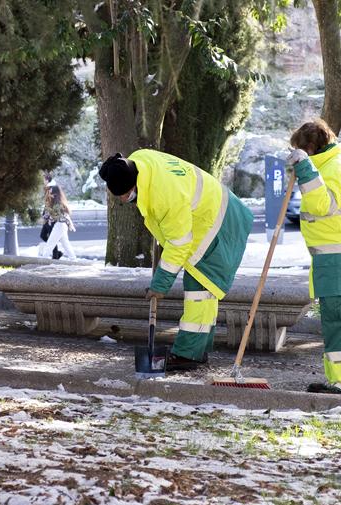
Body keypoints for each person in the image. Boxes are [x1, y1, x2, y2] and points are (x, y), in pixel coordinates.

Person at [99, 150, 253, 372]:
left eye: (125, 195)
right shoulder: (140, 161)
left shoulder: (163, 195)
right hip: (216, 211)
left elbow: (180, 243)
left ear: (133, 185)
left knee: (200, 291)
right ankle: (195, 351)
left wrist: (160, 284)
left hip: (218, 226)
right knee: (204, 293)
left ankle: (187, 355)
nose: (125, 200)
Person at [286, 119, 341, 396]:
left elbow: (323, 204)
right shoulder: (336, 164)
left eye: (303, 151)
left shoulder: (337, 168)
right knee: (338, 323)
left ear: (311, 148)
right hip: (340, 261)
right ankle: (339, 380)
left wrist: (304, 168)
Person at [41, 184, 78, 261]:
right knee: (66, 244)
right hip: (61, 226)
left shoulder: (57, 204)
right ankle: (74, 260)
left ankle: (42, 261)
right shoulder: (57, 202)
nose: (49, 194)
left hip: (60, 225)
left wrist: (47, 214)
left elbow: (52, 215)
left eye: (51, 192)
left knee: (50, 244)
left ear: (55, 193)